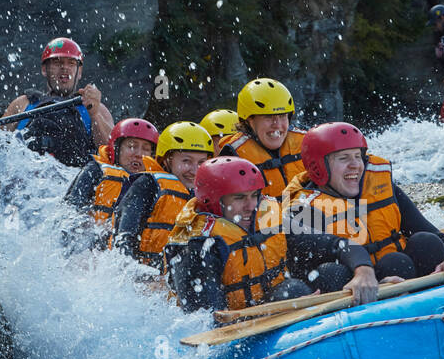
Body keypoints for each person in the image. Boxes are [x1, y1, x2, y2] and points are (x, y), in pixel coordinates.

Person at [283, 122, 444, 305]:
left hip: (400, 275)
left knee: (425, 243)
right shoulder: (302, 210)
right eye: (343, 158)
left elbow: (438, 236)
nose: (355, 165)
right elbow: (318, 260)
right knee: (331, 272)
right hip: (350, 294)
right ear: (318, 167)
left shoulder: (382, 186)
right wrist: (370, 279)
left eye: (358, 156)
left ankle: (438, 304)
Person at [165, 156, 319, 313]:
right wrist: (283, 308)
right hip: (237, 324)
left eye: (254, 195)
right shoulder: (197, 246)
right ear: (212, 201)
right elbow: (208, 322)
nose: (251, 206)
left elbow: (330, 245)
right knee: (293, 291)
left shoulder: (266, 214)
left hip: (266, 305)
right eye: (239, 198)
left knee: (332, 273)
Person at [0, 37, 114, 166]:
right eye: (57, 63)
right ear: (44, 69)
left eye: (71, 63)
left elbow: (113, 155)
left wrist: (94, 115)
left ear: (79, 72)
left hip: (72, 183)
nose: (64, 68)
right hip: (28, 182)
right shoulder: (22, 104)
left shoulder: (96, 107)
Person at [111, 121, 213, 268]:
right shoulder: (147, 184)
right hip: (140, 277)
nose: (194, 170)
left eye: (201, 162)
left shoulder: (204, 198)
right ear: (167, 160)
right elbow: (124, 237)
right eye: (186, 161)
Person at [62, 117, 161, 241]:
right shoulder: (96, 171)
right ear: (116, 149)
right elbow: (68, 214)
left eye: (146, 149)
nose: (139, 154)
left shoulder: (153, 187)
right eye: (131, 146)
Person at [218, 78, 306, 197]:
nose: (277, 125)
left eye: (282, 116)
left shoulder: (307, 144)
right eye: (268, 117)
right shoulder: (232, 157)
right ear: (249, 120)